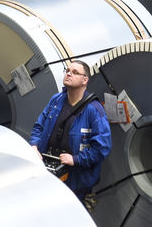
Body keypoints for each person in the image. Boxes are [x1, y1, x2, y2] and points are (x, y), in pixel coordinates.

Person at [29, 60, 111, 208]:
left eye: (74, 72)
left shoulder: (93, 110)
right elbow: (39, 126)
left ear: (85, 80)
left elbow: (102, 147)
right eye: (67, 71)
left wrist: (76, 159)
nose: (69, 74)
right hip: (49, 172)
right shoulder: (56, 100)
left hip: (76, 182)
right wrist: (34, 146)